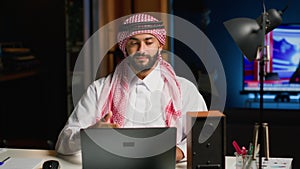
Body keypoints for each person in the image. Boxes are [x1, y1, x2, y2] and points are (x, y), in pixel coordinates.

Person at [55, 13, 207, 162]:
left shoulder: (185, 90)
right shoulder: (99, 90)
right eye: (134, 43)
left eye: (149, 42)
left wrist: (178, 151)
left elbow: (205, 136)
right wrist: (90, 134)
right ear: (125, 48)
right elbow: (63, 144)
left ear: (160, 46)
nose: (141, 49)